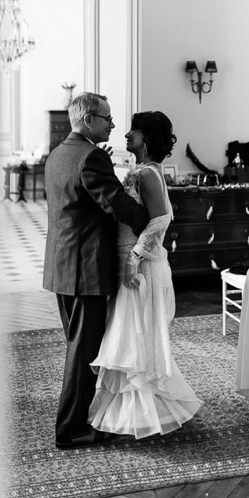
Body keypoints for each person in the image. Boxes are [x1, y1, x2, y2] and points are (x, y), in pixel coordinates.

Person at [43, 92, 150, 449]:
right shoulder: (90, 158)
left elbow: (79, 197)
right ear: (88, 120)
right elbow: (118, 206)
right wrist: (151, 218)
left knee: (80, 347)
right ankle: (70, 430)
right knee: (82, 352)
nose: (113, 124)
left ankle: (78, 417)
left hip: (62, 265)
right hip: (84, 269)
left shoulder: (59, 153)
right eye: (107, 118)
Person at [89, 111, 202, 437]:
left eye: (133, 132)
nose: (126, 135)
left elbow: (160, 221)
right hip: (131, 261)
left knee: (137, 338)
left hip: (143, 267)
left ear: (147, 139)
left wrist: (133, 259)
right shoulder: (139, 171)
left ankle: (147, 413)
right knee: (130, 338)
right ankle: (132, 412)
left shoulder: (149, 174)